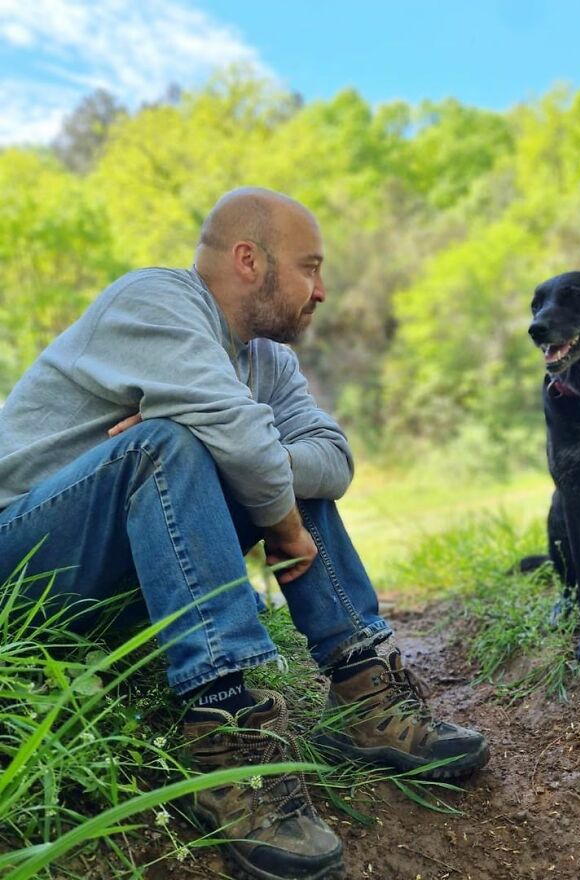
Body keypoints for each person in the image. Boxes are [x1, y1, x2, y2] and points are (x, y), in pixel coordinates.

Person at [0, 187, 488, 880]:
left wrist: (247, 451)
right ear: (249, 260)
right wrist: (257, 483)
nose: (322, 291)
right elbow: (240, 442)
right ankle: (225, 731)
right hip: (22, 567)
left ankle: (364, 690)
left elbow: (334, 459)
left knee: (252, 456)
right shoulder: (153, 302)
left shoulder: (268, 361)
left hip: (125, 577)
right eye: (310, 267)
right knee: (169, 443)